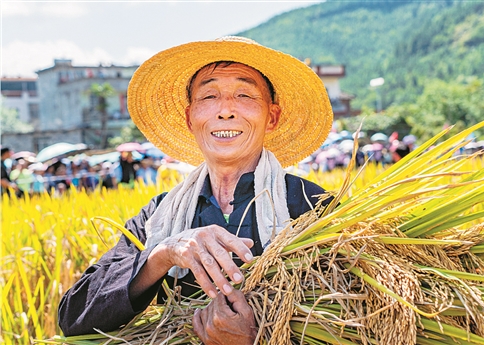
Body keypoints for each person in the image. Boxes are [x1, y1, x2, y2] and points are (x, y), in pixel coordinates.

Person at [58, 36, 334, 344]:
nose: (225, 111)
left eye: (244, 94)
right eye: (209, 96)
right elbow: (73, 316)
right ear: (190, 118)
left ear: (272, 116)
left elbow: (361, 323)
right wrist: (163, 254)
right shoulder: (159, 217)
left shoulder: (313, 208)